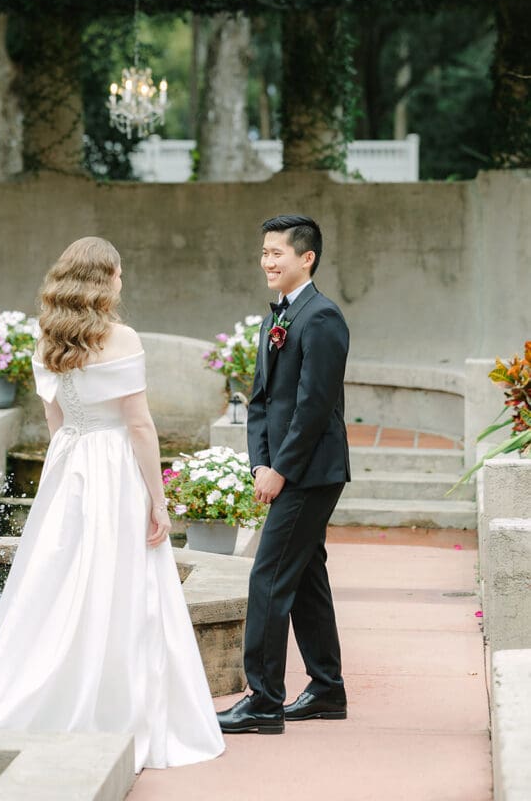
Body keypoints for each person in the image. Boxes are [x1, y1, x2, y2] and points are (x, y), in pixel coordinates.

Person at [0, 236, 225, 772]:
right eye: (119, 273)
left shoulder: (48, 339)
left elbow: (56, 423)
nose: (123, 281)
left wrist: (68, 465)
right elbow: (140, 426)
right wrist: (158, 501)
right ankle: (118, 707)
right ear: (105, 280)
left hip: (69, 464)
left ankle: (48, 688)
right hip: (115, 467)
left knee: (58, 580)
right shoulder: (122, 338)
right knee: (121, 581)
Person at [217, 214, 350, 735]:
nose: (267, 261)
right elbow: (260, 402)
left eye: (278, 253)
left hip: (312, 473)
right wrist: (258, 463)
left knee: (268, 577)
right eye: (264, 252)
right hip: (285, 469)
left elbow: (313, 409)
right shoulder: (280, 317)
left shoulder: (322, 318)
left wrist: (282, 471)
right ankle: (327, 689)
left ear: (307, 257)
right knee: (306, 575)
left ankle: (263, 700)